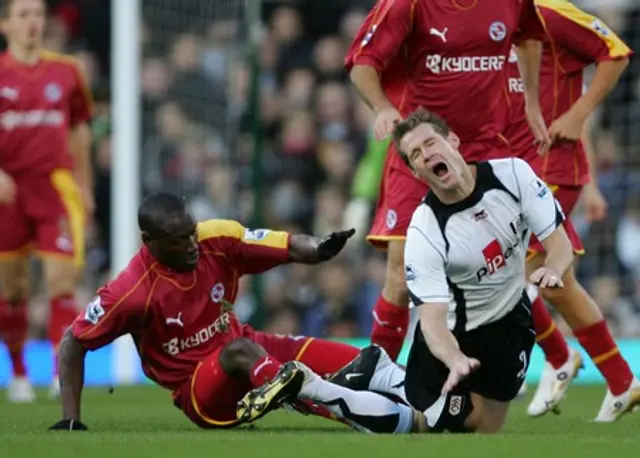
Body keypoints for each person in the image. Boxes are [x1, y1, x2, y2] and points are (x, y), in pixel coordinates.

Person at [239, 108, 582, 434]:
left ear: (454, 142)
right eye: (416, 154)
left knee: (489, 425)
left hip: (511, 321)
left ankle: (384, 373)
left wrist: (553, 269)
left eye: (430, 143)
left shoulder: (514, 175)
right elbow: (431, 321)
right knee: (431, 423)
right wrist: (455, 358)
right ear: (417, 174)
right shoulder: (425, 231)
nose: (426, 154)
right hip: (457, 334)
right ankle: (315, 386)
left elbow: (560, 244)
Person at [47, 192, 412, 431]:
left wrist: (318, 248)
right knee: (239, 352)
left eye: (191, 232)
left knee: (362, 363)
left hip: (252, 349)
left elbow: (284, 245)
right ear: (150, 242)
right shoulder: (130, 291)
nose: (192, 244)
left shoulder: (216, 238)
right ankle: (320, 396)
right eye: (178, 240)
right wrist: (70, 420)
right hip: (201, 392)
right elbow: (73, 342)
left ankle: (426, 399)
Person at [345, 0, 550, 362]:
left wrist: (531, 103)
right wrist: (384, 108)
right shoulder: (407, 5)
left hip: (483, 148)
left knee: (501, 266)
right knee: (399, 274)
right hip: (420, 157)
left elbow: (530, 38)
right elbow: (362, 64)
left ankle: (503, 366)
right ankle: (377, 382)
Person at [503, 0, 637, 421]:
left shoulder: (550, 11)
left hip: (552, 165)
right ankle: (620, 380)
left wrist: (579, 115)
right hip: (515, 166)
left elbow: (615, 51)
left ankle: (560, 358)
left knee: (516, 271)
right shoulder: (487, 22)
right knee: (556, 285)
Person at [0, 0, 94, 402]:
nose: (32, 22)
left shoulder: (67, 71)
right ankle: (19, 371)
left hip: (55, 188)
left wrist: (85, 186)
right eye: (23, 15)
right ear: (5, 24)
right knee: (13, 289)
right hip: (8, 191)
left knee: (61, 279)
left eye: (37, 14)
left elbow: (80, 132)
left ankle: (60, 372)